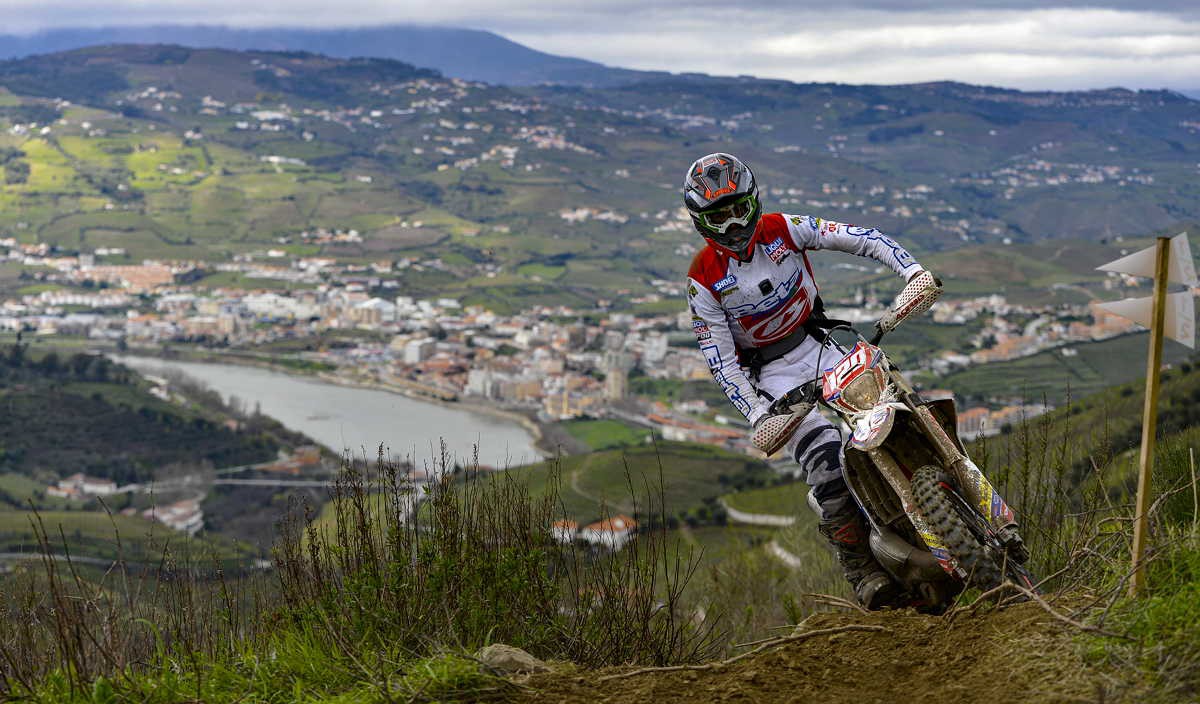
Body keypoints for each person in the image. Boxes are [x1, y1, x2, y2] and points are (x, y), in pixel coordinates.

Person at [682, 152, 929, 609]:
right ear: (702, 220)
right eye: (720, 215)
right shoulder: (703, 279)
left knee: (902, 413)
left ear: (754, 201)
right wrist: (758, 414)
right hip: (772, 379)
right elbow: (720, 361)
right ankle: (862, 570)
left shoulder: (785, 227)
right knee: (827, 462)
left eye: (740, 208)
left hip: (821, 345)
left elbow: (862, 238)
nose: (734, 223)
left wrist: (911, 271)